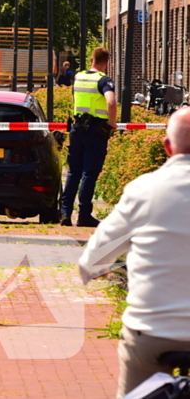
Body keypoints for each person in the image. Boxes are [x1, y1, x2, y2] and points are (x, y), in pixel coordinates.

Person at [77, 106, 190, 397]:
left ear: (167, 146)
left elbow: (96, 256)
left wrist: (93, 268)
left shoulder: (144, 191)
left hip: (151, 332)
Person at [61, 47, 117, 227]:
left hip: (77, 129)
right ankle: (84, 214)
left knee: (73, 171)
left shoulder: (79, 77)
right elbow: (111, 101)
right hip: (95, 131)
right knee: (89, 173)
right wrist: (113, 123)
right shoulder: (104, 80)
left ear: (92, 59)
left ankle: (65, 213)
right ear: (106, 62)